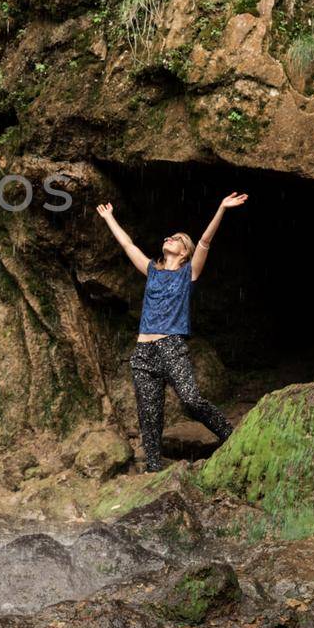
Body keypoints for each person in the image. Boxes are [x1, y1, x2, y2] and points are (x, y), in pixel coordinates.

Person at [96, 193, 248, 472]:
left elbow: (205, 241)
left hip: (171, 346)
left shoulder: (189, 273)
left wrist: (221, 208)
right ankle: (154, 469)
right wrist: (109, 218)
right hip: (143, 352)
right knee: (149, 415)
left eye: (176, 237)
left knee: (190, 399)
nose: (169, 238)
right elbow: (128, 244)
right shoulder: (152, 270)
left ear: (184, 251)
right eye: (169, 236)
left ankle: (232, 436)